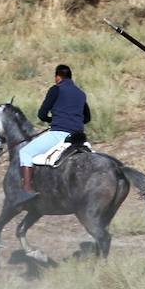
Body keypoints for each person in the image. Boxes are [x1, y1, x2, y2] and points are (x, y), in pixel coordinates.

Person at [12, 64, 91, 204]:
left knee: (25, 152)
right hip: (78, 136)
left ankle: (26, 190)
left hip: (59, 134)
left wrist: (52, 119)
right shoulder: (81, 93)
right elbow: (87, 118)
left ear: (58, 77)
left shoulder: (56, 89)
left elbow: (41, 114)